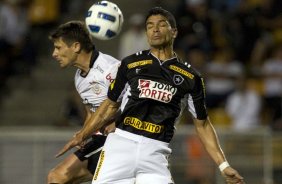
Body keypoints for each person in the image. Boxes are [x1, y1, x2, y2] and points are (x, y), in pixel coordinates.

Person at [56, 7, 244, 184]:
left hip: (155, 153)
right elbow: (109, 106)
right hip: (120, 146)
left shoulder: (191, 78)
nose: (155, 30)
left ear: (174, 32)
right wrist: (82, 135)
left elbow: (202, 124)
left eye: (161, 24)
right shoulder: (130, 65)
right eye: (149, 26)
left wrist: (223, 165)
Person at [47, 20, 120, 184]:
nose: (54, 54)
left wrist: (117, 122)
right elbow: (91, 112)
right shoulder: (79, 77)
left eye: (58, 47)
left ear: (76, 47)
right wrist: (85, 134)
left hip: (124, 139)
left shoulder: (111, 68)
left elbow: (136, 102)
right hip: (101, 139)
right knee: (56, 177)